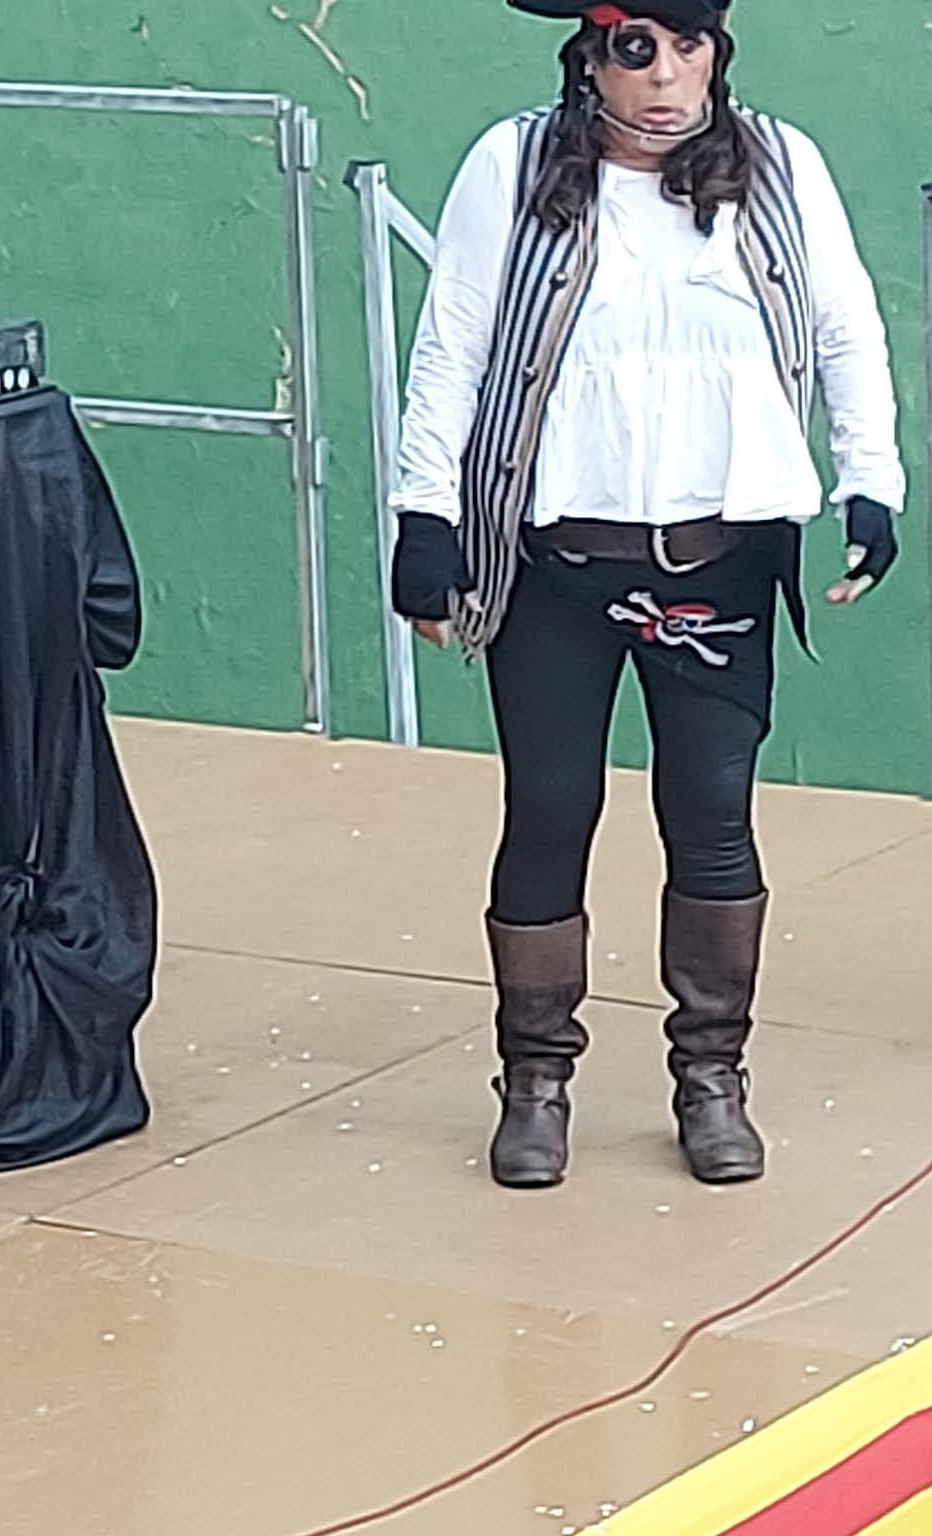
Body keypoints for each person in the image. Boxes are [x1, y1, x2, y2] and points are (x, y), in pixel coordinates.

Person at [388, 0, 904, 1189]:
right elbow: (450, 344)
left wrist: (867, 482)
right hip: (555, 566)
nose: (664, 76)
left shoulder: (778, 166)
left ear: (716, 53)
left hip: (718, 566)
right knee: (547, 810)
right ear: (588, 59)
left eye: (687, 46)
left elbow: (844, 330)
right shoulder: (513, 164)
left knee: (711, 818)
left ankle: (709, 1079)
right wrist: (425, 514)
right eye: (635, 49)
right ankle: (533, 1082)